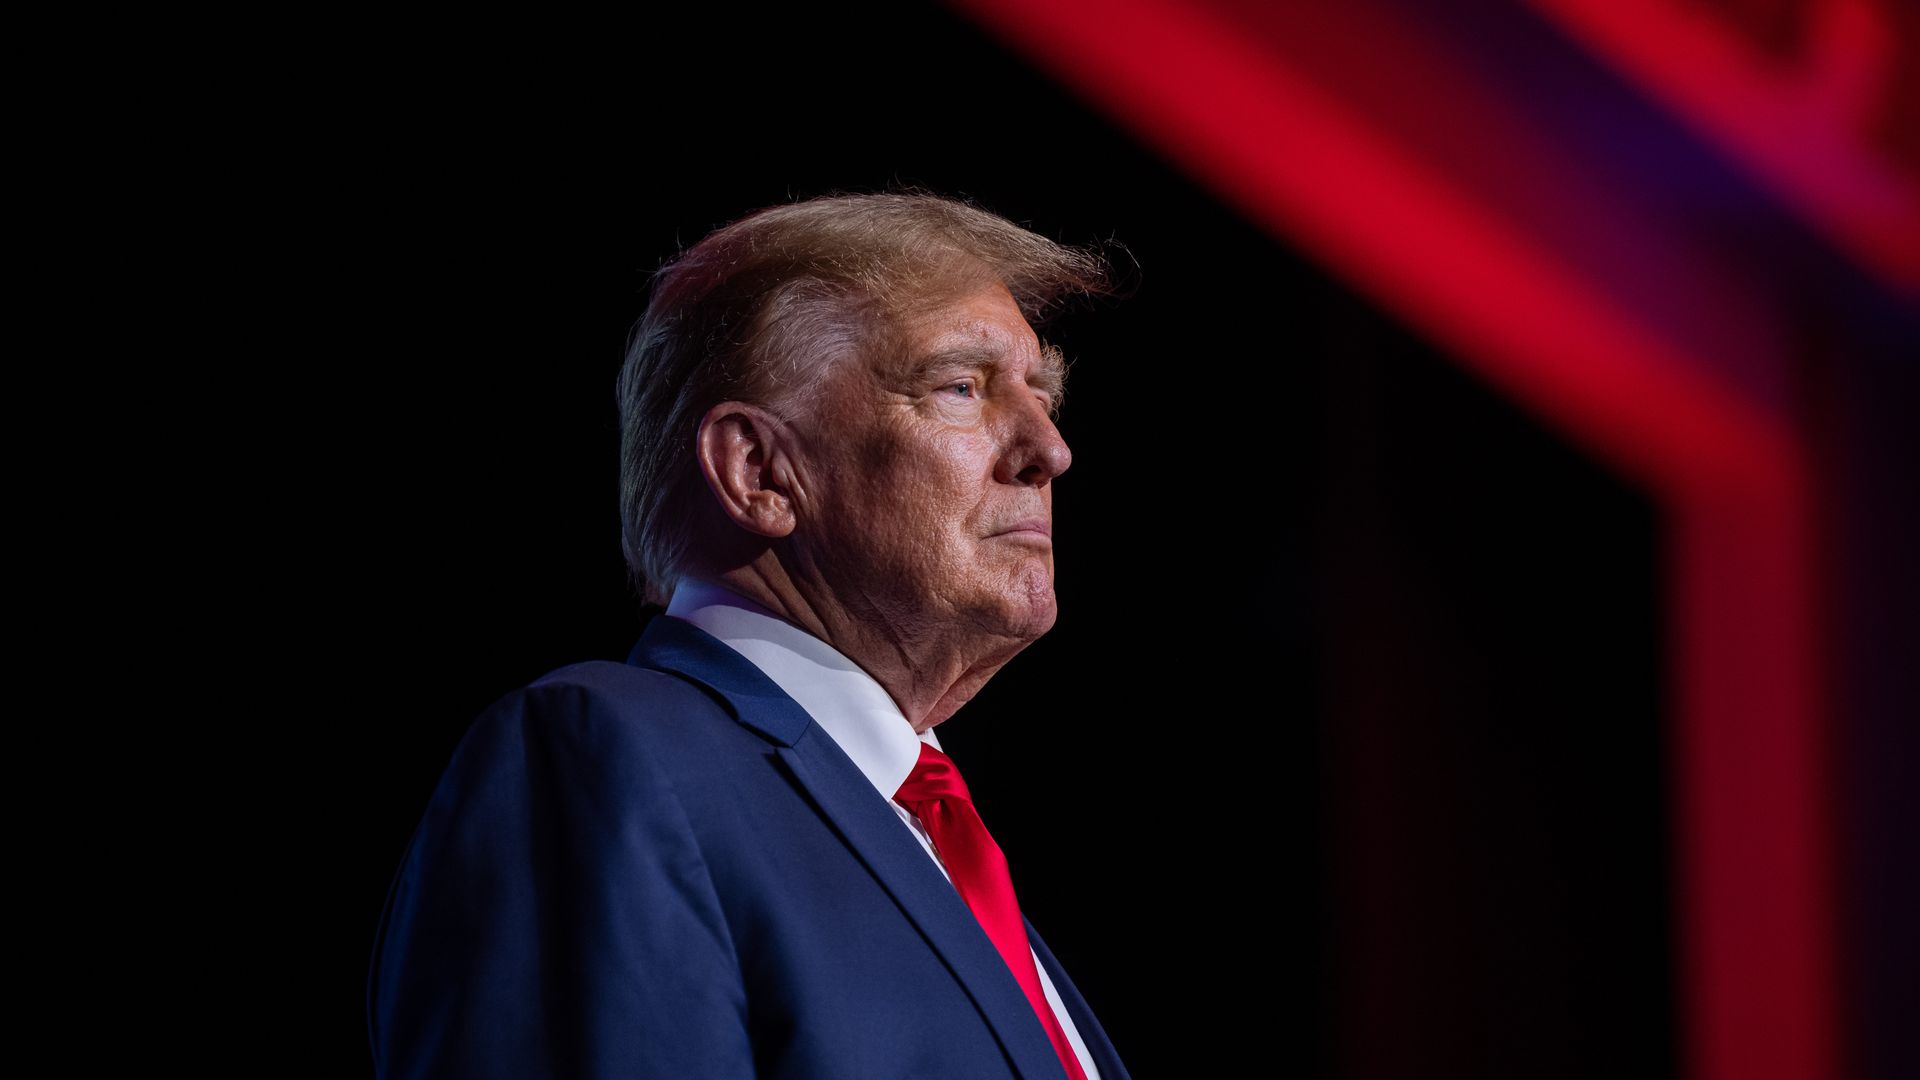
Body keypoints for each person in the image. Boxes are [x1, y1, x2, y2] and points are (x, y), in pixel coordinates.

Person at [367, 192, 1129, 1079]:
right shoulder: (605, 756)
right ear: (759, 471)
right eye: (961, 387)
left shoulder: (931, 841)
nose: (1050, 448)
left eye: (1042, 396)